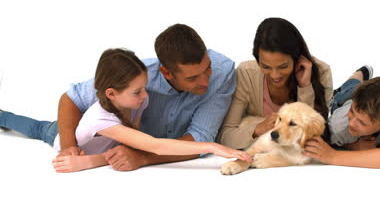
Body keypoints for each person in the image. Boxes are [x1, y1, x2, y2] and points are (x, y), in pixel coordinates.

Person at [0, 48, 251, 172]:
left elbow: (138, 141)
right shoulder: (100, 119)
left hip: (110, 139)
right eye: (137, 92)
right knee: (37, 128)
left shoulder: (138, 99)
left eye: (145, 88)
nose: (146, 96)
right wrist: (213, 147)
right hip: (70, 136)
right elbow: (156, 145)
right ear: (112, 94)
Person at [39, 23, 235, 171]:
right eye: (192, 78)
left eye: (207, 68)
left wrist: (141, 157)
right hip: (83, 133)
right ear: (166, 72)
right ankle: (6, 116)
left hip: (112, 139)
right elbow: (72, 98)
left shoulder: (222, 70)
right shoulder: (137, 79)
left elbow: (200, 137)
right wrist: (68, 146)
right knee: (40, 128)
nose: (205, 82)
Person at [217, 17, 333, 149]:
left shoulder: (320, 71)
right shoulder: (246, 73)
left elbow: (315, 138)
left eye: (283, 66)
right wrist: (259, 129)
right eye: (265, 67)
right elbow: (225, 136)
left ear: (296, 60)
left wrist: (305, 87)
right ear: (257, 60)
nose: (275, 75)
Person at [304, 66, 380, 169]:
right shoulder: (340, 124)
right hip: (344, 100)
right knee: (349, 89)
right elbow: (321, 144)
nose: (352, 123)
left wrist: (332, 156)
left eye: (362, 123)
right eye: (352, 112)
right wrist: (352, 146)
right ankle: (358, 75)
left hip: (359, 101)